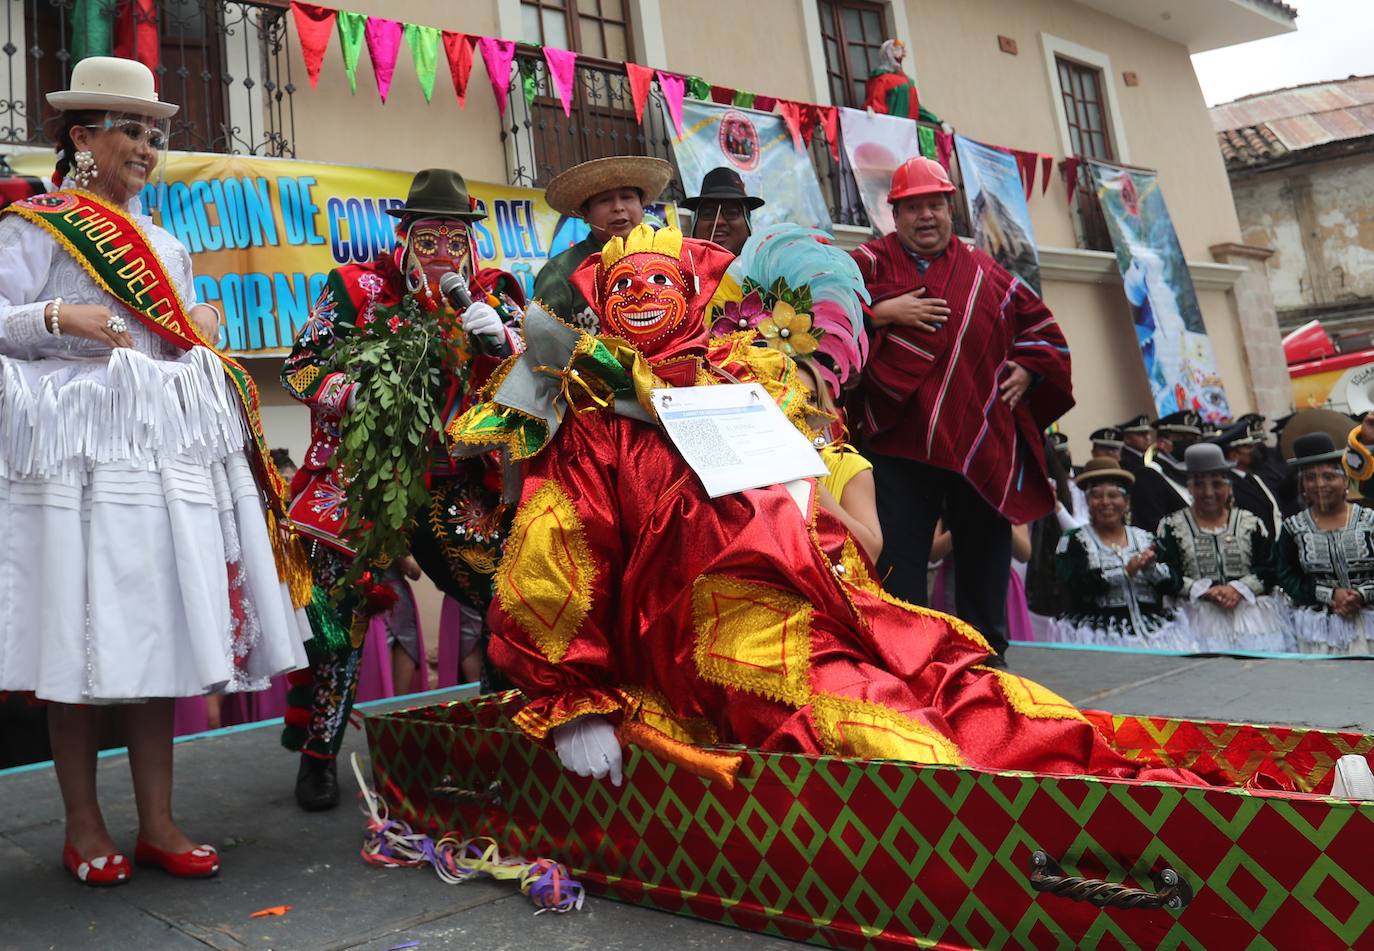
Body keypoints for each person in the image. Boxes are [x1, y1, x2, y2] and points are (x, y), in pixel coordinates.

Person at [448, 223, 1206, 790]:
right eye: (623, 288)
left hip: (833, 612)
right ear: (602, 307)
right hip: (721, 650)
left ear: (694, 294)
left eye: (658, 282)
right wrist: (575, 697)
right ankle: (1040, 819)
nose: (643, 296)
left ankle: (1143, 787)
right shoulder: (592, 420)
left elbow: (835, 526)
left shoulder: (749, 392)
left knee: (964, 683)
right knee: (892, 735)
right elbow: (555, 551)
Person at [0, 56, 309, 884]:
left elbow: (176, 338)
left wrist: (202, 318)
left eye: (155, 134)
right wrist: (60, 313)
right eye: (131, 131)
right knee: (78, 637)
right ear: (82, 137)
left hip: (156, 457)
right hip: (75, 458)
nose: (147, 146)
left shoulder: (167, 243)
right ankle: (83, 823)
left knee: (157, 633)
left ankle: (160, 822)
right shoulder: (36, 226)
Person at [281, 169, 515, 810]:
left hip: (454, 484)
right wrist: (357, 399)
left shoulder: (493, 296)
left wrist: (503, 344)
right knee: (337, 621)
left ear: (471, 243)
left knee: (502, 600)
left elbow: (542, 369)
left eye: (453, 239)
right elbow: (300, 368)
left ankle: (510, 741)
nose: (441, 254)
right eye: (428, 238)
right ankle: (320, 754)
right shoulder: (358, 289)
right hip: (363, 482)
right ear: (404, 237)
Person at [849, 157, 1073, 663]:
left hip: (978, 439)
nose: (925, 216)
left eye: (934, 204)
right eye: (913, 208)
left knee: (984, 557)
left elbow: (1042, 331)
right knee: (898, 561)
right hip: (897, 442)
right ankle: (906, 662)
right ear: (896, 213)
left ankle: (986, 664)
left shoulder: (984, 270)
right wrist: (883, 313)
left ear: (950, 208)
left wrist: (1027, 367)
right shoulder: (867, 264)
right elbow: (822, 316)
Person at [708, 223, 878, 558]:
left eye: (808, 400)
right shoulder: (732, 473)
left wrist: (808, 479)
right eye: (780, 399)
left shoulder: (846, 466)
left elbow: (870, 552)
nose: (795, 409)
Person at [1154, 444, 1287, 653]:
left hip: (1250, 621)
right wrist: (1203, 590)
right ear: (1189, 488)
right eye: (1199, 485)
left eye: (1216, 484)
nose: (1208, 493)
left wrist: (1238, 589)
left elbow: (1271, 567)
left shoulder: (1250, 523)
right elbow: (1164, 571)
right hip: (1196, 622)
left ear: (1228, 486)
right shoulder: (1171, 526)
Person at [1052, 458, 1188, 650]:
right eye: (1097, 496)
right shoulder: (1074, 541)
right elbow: (1072, 585)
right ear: (1088, 502)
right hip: (1099, 636)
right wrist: (1124, 572)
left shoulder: (1146, 538)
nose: (1105, 503)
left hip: (1154, 633)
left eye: (1113, 495)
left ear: (1126, 502)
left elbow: (1175, 582)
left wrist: (1151, 569)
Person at [533, 156, 673, 331]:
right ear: (586, 213)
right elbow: (543, 341)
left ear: (642, 206)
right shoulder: (561, 272)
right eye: (605, 200)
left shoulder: (668, 259)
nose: (618, 207)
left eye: (627, 197)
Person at [1275, 431, 1374, 655]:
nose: (1320, 485)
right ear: (1302, 484)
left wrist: (1361, 594)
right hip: (1321, 631)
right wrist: (1329, 595)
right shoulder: (1293, 528)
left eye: (1329, 476)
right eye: (1310, 478)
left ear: (1345, 479)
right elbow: (1285, 574)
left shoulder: (1370, 520)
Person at [682, 166, 762, 256]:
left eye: (731, 213)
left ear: (748, 223)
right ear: (695, 223)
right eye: (708, 214)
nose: (719, 221)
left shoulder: (766, 267)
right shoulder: (677, 267)